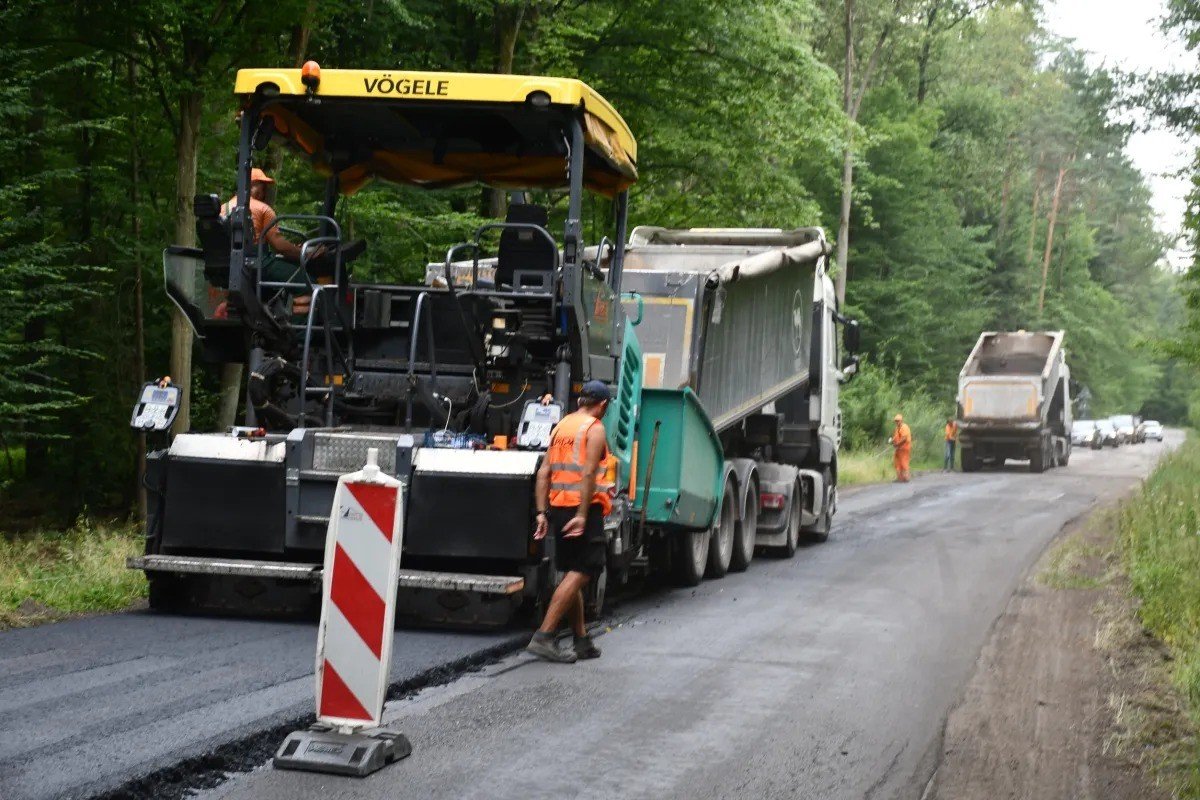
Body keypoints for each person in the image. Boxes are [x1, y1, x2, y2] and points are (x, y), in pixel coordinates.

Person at [526, 381, 613, 664]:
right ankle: (545, 636)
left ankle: (581, 640)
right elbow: (588, 473)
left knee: (571, 573)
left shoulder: (561, 426)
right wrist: (583, 516)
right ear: (602, 405)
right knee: (586, 569)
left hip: (559, 506)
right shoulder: (594, 428)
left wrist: (542, 513)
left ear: (580, 401)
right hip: (581, 510)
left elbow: (544, 472)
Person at [221, 168, 315, 315]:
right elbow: (279, 246)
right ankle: (300, 335)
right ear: (250, 184)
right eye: (261, 186)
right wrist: (305, 253)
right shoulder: (264, 209)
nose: (263, 193)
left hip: (231, 266)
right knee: (306, 282)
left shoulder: (223, 209)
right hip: (257, 263)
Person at [891, 413, 912, 482]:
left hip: (904, 448)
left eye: (898, 420)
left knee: (904, 463)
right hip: (898, 449)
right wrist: (892, 442)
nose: (897, 422)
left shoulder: (904, 427)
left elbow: (904, 439)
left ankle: (906, 478)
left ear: (901, 420)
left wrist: (897, 444)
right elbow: (895, 437)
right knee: (897, 463)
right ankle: (900, 478)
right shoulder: (897, 428)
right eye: (896, 421)